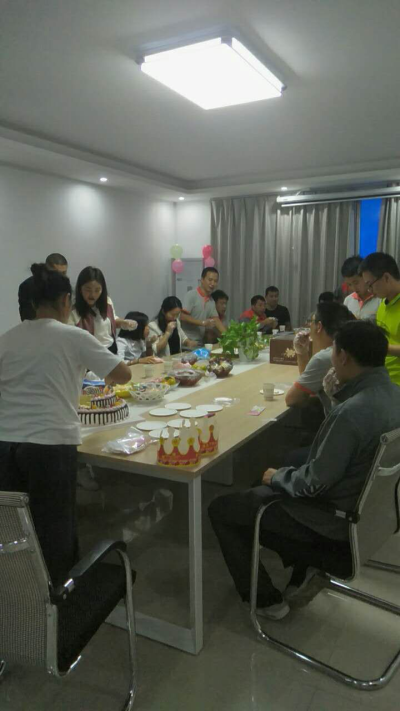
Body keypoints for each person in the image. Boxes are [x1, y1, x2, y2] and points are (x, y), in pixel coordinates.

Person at [209, 321, 400, 620]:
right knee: (276, 474)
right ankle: (302, 568)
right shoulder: (394, 395)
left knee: (223, 508)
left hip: (332, 521)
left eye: (334, 350)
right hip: (373, 518)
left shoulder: (351, 413)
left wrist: (278, 476)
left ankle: (266, 600)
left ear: (343, 357)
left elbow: (313, 484)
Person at [0, 264, 131, 586]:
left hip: (5, 444)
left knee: (15, 529)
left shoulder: (7, 339)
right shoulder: (73, 336)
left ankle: (21, 595)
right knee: (54, 530)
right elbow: (123, 374)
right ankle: (61, 598)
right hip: (50, 445)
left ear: (32, 303)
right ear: (65, 301)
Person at [286, 302, 354, 416]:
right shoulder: (351, 347)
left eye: (311, 322)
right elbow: (310, 384)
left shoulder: (325, 357)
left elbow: (292, 399)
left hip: (340, 422)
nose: (309, 326)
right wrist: (302, 353)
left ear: (319, 326)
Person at [69, 266, 137, 354]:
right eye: (88, 290)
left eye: (97, 290)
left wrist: (124, 323)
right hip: (89, 353)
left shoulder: (107, 302)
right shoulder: (73, 309)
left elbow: (112, 319)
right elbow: (70, 335)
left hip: (110, 348)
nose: (92, 294)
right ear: (80, 289)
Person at [360, 252, 400, 386]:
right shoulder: (382, 304)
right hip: (383, 380)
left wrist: (382, 348)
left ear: (386, 277)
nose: (369, 290)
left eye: (370, 284)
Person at [180, 267, 226, 345]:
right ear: (202, 280)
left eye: (215, 281)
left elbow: (216, 320)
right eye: (210, 280)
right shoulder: (191, 295)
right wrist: (202, 323)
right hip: (186, 341)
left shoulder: (211, 301)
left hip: (199, 342)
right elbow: (183, 316)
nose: (212, 283)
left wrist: (229, 336)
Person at [18, 252, 68, 321]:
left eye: (63, 273)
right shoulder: (28, 286)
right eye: (56, 273)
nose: (60, 277)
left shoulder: (66, 287)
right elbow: (26, 316)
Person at [341, 255, 380, 320]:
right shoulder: (348, 300)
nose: (353, 288)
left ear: (365, 276)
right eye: (349, 284)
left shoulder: (380, 299)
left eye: (356, 283)